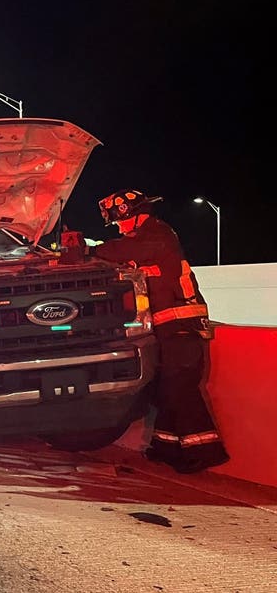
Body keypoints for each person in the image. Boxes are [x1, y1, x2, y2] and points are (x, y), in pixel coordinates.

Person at [88, 189, 229, 474]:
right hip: (166, 328)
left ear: (131, 215)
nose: (118, 227)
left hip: (182, 327)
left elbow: (120, 251)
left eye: (119, 222)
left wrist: (89, 249)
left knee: (180, 388)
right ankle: (166, 448)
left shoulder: (157, 235)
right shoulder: (146, 238)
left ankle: (204, 452)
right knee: (166, 390)